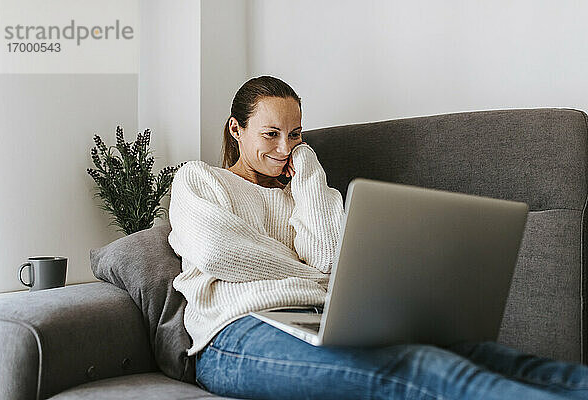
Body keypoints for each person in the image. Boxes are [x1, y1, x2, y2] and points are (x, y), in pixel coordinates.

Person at [167, 75, 588, 400]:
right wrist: (309, 276)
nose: (284, 147)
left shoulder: (310, 189)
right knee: (419, 366)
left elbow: (329, 258)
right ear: (236, 129)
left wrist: (309, 171)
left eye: (295, 134)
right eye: (271, 133)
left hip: (318, 320)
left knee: (489, 356)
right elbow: (219, 253)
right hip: (234, 334)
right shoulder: (199, 178)